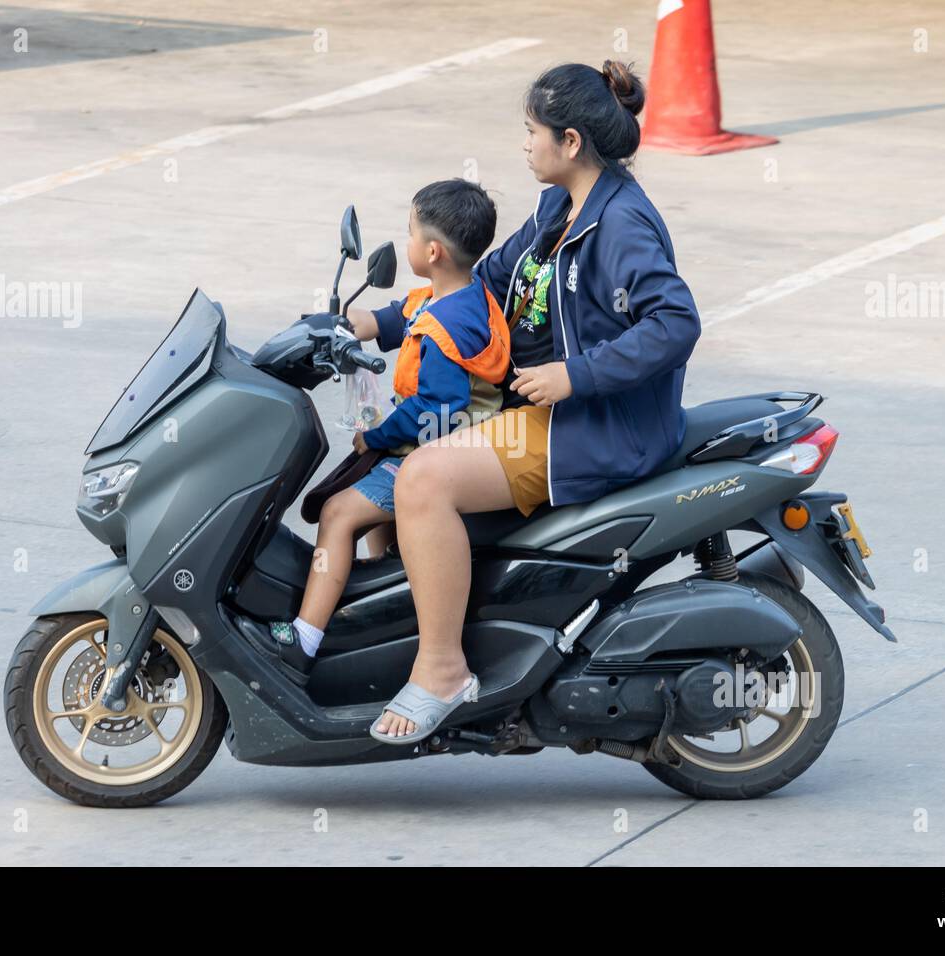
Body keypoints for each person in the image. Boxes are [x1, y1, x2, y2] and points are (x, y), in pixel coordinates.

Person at [370, 60, 703, 742]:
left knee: (422, 478)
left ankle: (441, 668)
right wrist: (377, 324)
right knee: (387, 459)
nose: (525, 145)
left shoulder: (621, 225)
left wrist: (574, 376)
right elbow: (478, 287)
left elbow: (675, 323)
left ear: (571, 142)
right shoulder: (560, 208)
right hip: (545, 411)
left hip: (593, 427)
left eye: (532, 132)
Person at [266, 178, 510, 686]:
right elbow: (397, 316)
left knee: (337, 513)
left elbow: (435, 408)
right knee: (370, 511)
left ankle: (303, 639)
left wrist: (374, 438)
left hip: (435, 452)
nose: (407, 242)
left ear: (433, 251)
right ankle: (385, 607)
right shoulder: (461, 296)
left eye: (410, 233)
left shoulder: (448, 328)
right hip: (440, 443)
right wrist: (337, 323)